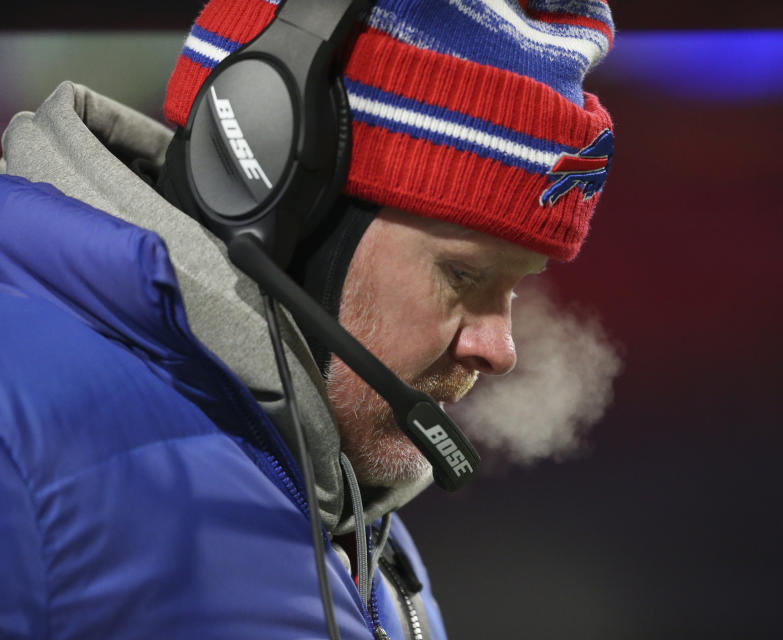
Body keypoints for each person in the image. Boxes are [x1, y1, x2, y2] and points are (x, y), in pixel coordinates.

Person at [0, 0, 614, 637]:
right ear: (261, 178)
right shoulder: (17, 434)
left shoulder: (351, 521)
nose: (500, 347)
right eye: (462, 275)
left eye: (514, 289)